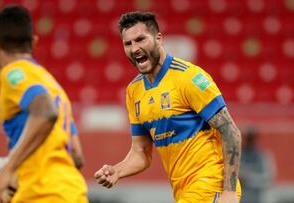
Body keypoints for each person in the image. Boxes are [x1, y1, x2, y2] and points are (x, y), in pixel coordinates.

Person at [94, 11, 242, 203]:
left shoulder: (188, 78)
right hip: (184, 191)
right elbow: (141, 153)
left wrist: (229, 192)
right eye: (128, 43)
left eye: (140, 39)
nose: (135, 48)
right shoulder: (134, 91)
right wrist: (117, 171)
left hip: (211, 184)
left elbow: (231, 132)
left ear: (158, 39)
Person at [0, 5, 88, 203]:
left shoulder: (14, 72)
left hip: (41, 194)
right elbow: (77, 156)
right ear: (34, 42)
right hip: (73, 193)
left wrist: (8, 170)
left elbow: (45, 112)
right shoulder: (55, 87)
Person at [240, 127, 276, 203]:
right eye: (248, 138)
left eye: (252, 138)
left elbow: (269, 177)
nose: (250, 141)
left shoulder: (263, 155)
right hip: (243, 197)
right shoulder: (239, 155)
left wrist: (249, 179)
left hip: (258, 197)